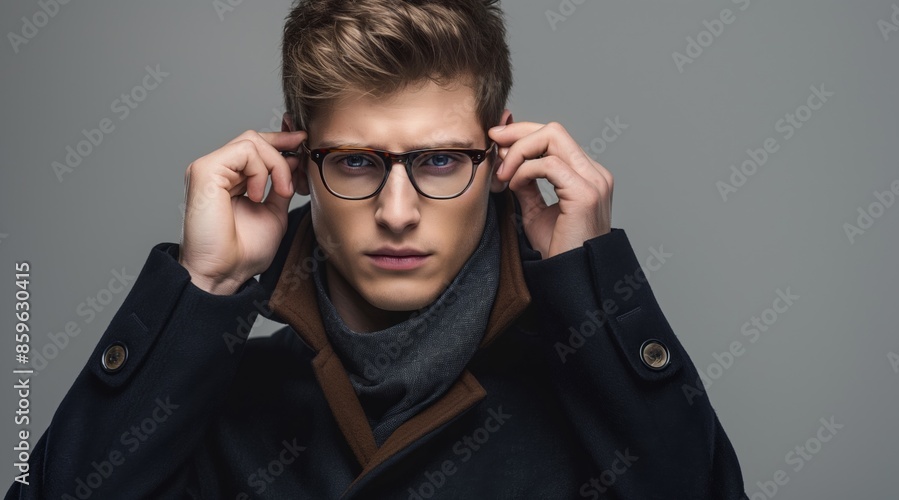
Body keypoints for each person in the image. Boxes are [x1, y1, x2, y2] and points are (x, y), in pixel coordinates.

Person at [6, 0, 748, 498]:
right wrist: (204, 285)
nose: (398, 213)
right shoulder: (213, 401)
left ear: (500, 156)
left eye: (439, 161)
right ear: (299, 161)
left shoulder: (589, 397)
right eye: (357, 161)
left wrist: (593, 288)